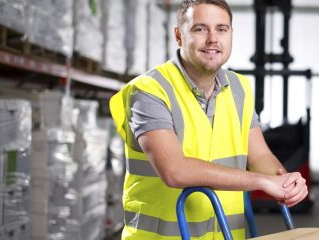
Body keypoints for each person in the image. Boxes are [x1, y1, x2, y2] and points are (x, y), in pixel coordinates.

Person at [109, 1, 308, 239]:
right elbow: (175, 171)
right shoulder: (150, 90)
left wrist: (283, 181)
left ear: (231, 35)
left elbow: (260, 156)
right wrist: (262, 182)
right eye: (200, 29)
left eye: (222, 29)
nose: (213, 39)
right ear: (179, 36)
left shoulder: (239, 88)